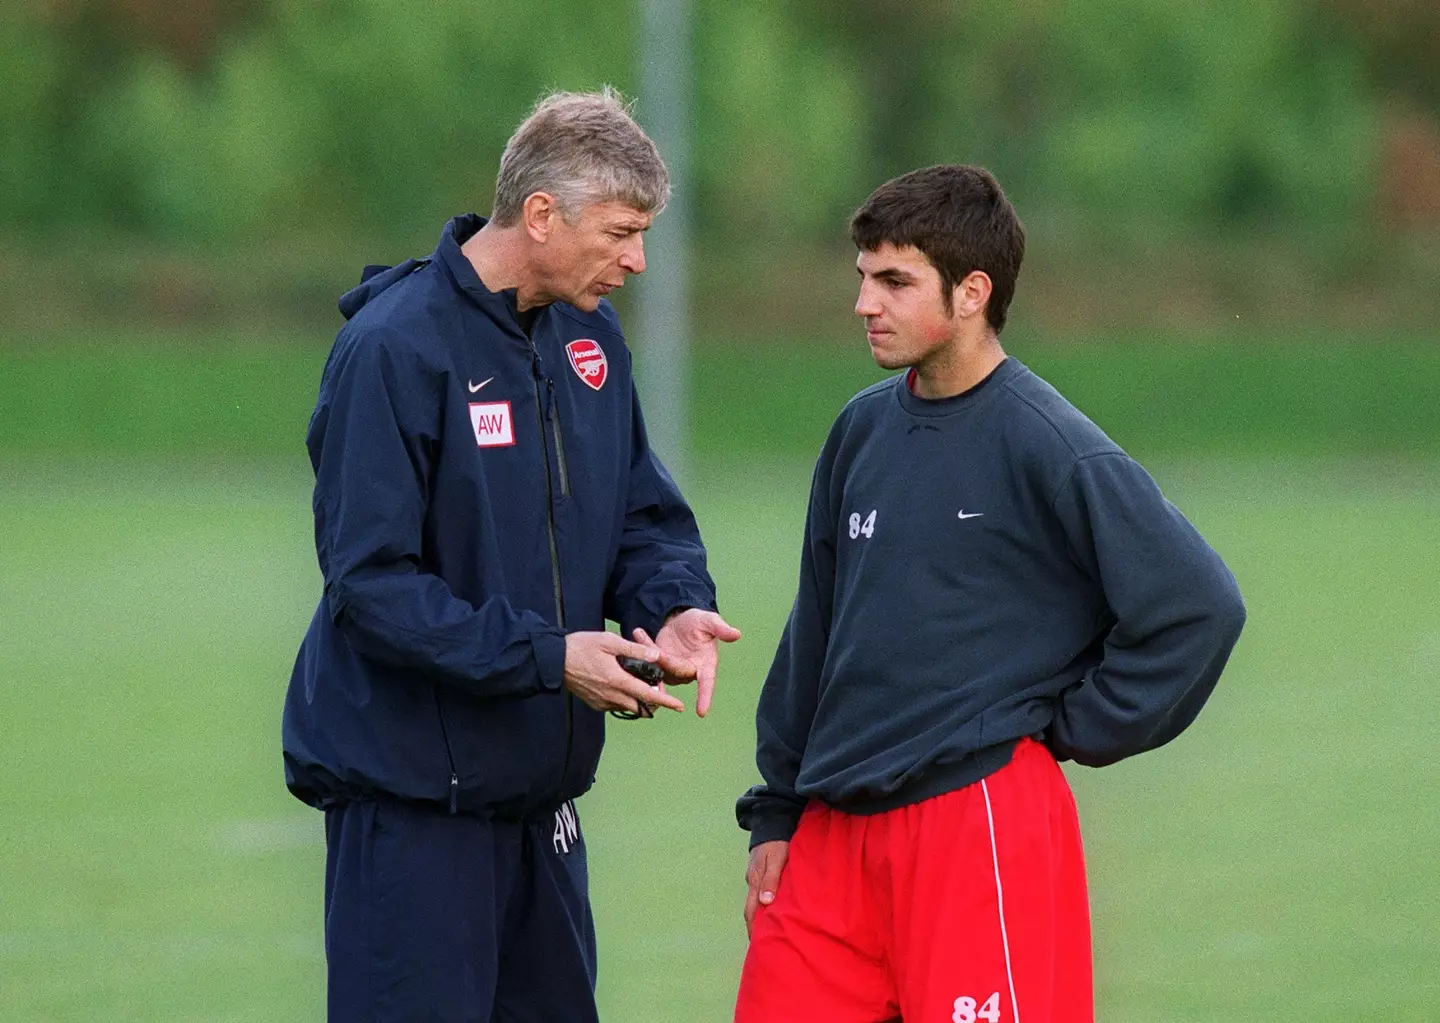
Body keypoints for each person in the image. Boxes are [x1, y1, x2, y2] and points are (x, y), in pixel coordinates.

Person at [733, 165, 1246, 1023]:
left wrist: (1068, 729)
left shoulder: (1050, 442)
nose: (865, 302)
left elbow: (1199, 607)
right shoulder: (860, 430)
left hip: (974, 822)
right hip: (830, 834)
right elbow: (816, 630)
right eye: (862, 276)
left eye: (894, 281)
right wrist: (776, 811)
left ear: (973, 291)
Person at [282, 88, 741, 1022]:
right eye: (620, 231)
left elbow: (643, 516)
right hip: (415, 820)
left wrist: (672, 604)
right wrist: (549, 657)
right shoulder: (392, 348)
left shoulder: (589, 340)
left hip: (541, 812)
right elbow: (369, 588)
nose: (637, 260)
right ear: (540, 214)